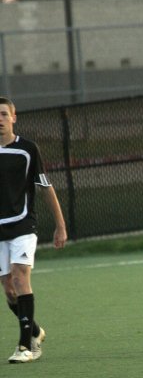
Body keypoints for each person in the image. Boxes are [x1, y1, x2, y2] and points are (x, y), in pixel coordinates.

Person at [0, 96, 67, 363]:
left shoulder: (28, 149)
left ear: (14, 117)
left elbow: (46, 187)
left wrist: (60, 225)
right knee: (9, 290)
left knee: (20, 278)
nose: (0, 120)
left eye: (4, 114)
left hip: (23, 225)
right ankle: (36, 331)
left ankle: (26, 346)